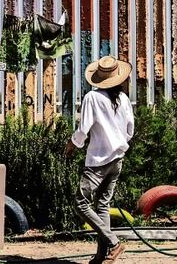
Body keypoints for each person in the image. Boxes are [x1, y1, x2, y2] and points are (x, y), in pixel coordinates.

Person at [65, 55, 135, 264]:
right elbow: (130, 129)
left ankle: (114, 243)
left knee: (81, 204)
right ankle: (101, 256)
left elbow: (83, 129)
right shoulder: (123, 99)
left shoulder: (92, 98)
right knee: (103, 205)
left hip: (98, 161)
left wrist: (72, 145)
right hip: (117, 159)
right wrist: (118, 141)